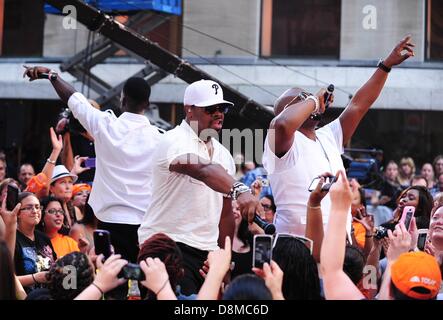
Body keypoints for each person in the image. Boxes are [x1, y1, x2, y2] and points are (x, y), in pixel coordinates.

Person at [262, 36, 415, 236]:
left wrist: (385, 66)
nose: (311, 98)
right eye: (302, 98)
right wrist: (314, 101)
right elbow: (282, 123)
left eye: (309, 96)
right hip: (297, 248)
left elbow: (358, 106)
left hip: (338, 246)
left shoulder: (327, 136)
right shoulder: (281, 141)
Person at [23, 67, 162, 265]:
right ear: (147, 104)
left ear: (122, 100)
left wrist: (51, 76)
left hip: (109, 222)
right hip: (145, 224)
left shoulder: (105, 125)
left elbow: (73, 98)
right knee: (146, 279)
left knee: (112, 281)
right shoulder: (160, 138)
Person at [138, 79, 262, 295]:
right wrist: (240, 189)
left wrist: (224, 261)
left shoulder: (223, 154)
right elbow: (202, 169)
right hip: (168, 244)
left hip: (206, 252)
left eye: (222, 108)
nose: (219, 113)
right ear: (190, 110)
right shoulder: (173, 140)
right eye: (210, 108)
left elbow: (225, 215)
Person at [14, 192, 57, 292]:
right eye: (29, 208)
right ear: (18, 213)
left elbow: (54, 264)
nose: (35, 211)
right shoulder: (13, 239)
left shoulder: (44, 238)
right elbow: (7, 279)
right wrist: (35, 278)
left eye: (37, 207)